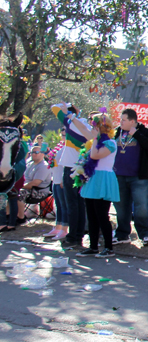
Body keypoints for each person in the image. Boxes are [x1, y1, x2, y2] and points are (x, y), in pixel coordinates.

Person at [112, 108, 148, 247]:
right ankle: (122, 234)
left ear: (132, 121)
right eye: (121, 119)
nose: (120, 122)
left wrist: (137, 134)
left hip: (138, 177)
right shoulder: (117, 132)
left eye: (124, 120)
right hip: (119, 175)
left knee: (141, 207)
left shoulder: (144, 132)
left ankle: (144, 234)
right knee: (121, 207)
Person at [77, 112, 120, 257]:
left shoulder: (111, 143)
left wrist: (95, 138)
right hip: (93, 179)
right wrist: (70, 118)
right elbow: (83, 130)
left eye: (94, 125)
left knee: (102, 215)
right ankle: (93, 246)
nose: (91, 128)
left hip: (104, 179)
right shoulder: (95, 140)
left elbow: (95, 155)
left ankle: (108, 247)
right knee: (91, 215)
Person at [51, 103, 90, 248]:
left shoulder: (70, 123)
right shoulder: (86, 125)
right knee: (80, 204)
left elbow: (54, 107)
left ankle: (73, 236)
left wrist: (65, 109)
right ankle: (78, 235)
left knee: (72, 204)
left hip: (70, 168)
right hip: (82, 169)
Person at [43, 141, 68, 240]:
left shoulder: (68, 147)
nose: (63, 136)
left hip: (61, 180)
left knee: (64, 206)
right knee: (58, 206)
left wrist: (63, 179)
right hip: (55, 180)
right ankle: (58, 227)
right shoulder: (59, 146)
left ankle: (64, 229)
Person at [17, 145, 52, 214]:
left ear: (42, 154)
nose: (33, 154)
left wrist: (18, 187)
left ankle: (20, 217)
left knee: (19, 194)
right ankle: (8, 216)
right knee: (9, 193)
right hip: (27, 189)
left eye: (36, 152)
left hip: (39, 191)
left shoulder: (44, 166)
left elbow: (35, 183)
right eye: (32, 152)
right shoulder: (29, 164)